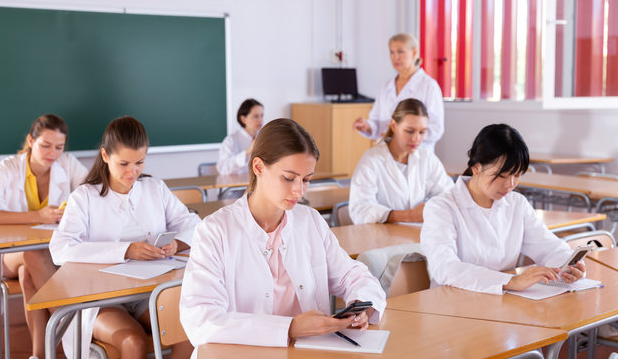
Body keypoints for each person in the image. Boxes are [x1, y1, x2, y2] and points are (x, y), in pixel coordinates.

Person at [180, 118, 386, 355]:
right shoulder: (214, 230)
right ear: (258, 167)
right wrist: (290, 328)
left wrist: (361, 304)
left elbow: (352, 274)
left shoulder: (310, 221)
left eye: (307, 179)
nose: (299, 190)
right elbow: (202, 321)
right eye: (289, 178)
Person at [49, 116, 200, 359]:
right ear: (105, 156)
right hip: (103, 300)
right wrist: (126, 250)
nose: (133, 171)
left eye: (140, 162)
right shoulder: (84, 197)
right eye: (124, 163)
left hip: (150, 293)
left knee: (190, 331)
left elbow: (193, 224)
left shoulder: (155, 188)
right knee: (132, 341)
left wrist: (177, 243)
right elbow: (61, 248)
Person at [0, 114, 87, 359]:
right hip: (5, 257)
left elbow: (93, 194)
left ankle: (39, 355)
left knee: (28, 274)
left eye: (59, 147)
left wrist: (75, 208)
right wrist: (38, 216)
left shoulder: (68, 164)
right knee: (32, 254)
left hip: (47, 255)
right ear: (31, 141)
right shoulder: (7, 168)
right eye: (45, 145)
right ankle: (71, 326)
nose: (52, 153)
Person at [421, 124, 585, 294]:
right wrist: (510, 281)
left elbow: (549, 246)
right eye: (502, 175)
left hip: (503, 302)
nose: (511, 184)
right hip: (453, 303)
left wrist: (569, 266)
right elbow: (444, 267)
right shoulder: (441, 207)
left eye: (517, 174)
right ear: (476, 167)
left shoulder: (517, 204)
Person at [349, 99, 453, 224]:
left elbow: (448, 194)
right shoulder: (372, 160)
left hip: (417, 236)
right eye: (409, 131)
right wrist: (408, 216)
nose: (416, 138)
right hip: (382, 238)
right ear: (393, 126)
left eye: (422, 132)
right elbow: (360, 209)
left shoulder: (427, 158)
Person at [353, 33, 444, 152]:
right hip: (386, 152)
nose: (396, 57)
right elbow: (376, 122)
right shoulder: (386, 87)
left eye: (400, 52)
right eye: (392, 52)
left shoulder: (428, 86)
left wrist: (404, 136)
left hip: (417, 153)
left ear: (414, 53)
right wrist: (367, 127)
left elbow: (436, 129)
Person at [216, 98, 264, 175]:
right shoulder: (231, 140)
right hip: (237, 186)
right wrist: (248, 152)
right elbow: (223, 168)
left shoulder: (264, 137)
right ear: (243, 119)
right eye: (256, 116)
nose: (260, 120)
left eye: (262, 116)